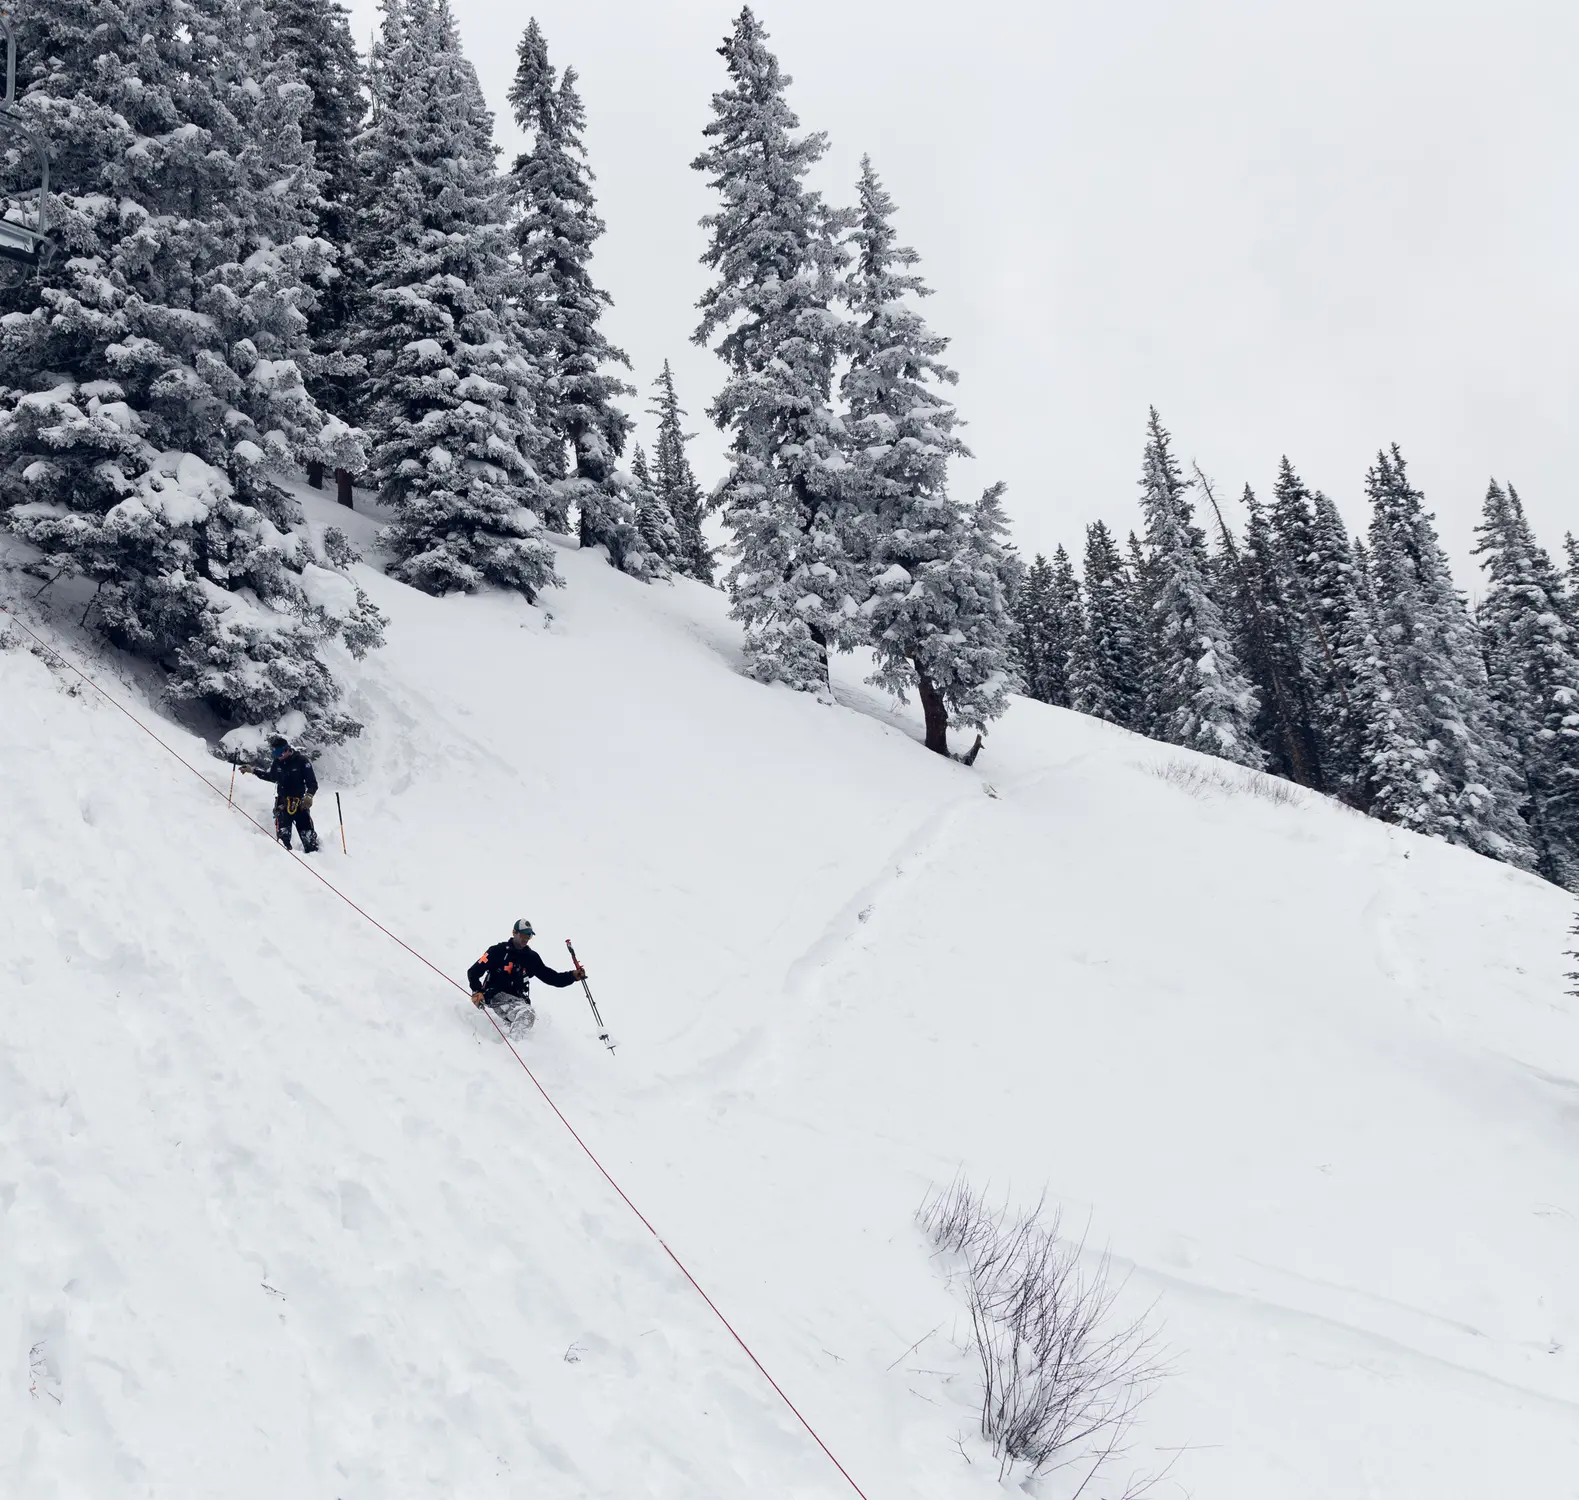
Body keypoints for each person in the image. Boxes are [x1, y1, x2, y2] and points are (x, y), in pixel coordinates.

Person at [468, 919, 584, 1027]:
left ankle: (518, 1045)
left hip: (518, 1002)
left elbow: (552, 977)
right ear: (514, 932)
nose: (526, 939)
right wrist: (477, 991)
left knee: (527, 1015)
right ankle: (512, 1046)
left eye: (529, 936)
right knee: (527, 1015)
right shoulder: (497, 951)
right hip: (494, 997)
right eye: (523, 935)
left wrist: (572, 976)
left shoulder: (531, 958)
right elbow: (473, 972)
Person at [242, 735, 321, 851]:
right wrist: (253, 771)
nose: (279, 757)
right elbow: (272, 777)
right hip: (283, 804)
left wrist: (309, 796)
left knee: (309, 840)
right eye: (276, 755)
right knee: (283, 844)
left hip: (300, 804)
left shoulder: (302, 761)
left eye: (280, 754)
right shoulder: (277, 763)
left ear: (287, 750)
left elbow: (312, 783)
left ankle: (316, 861)